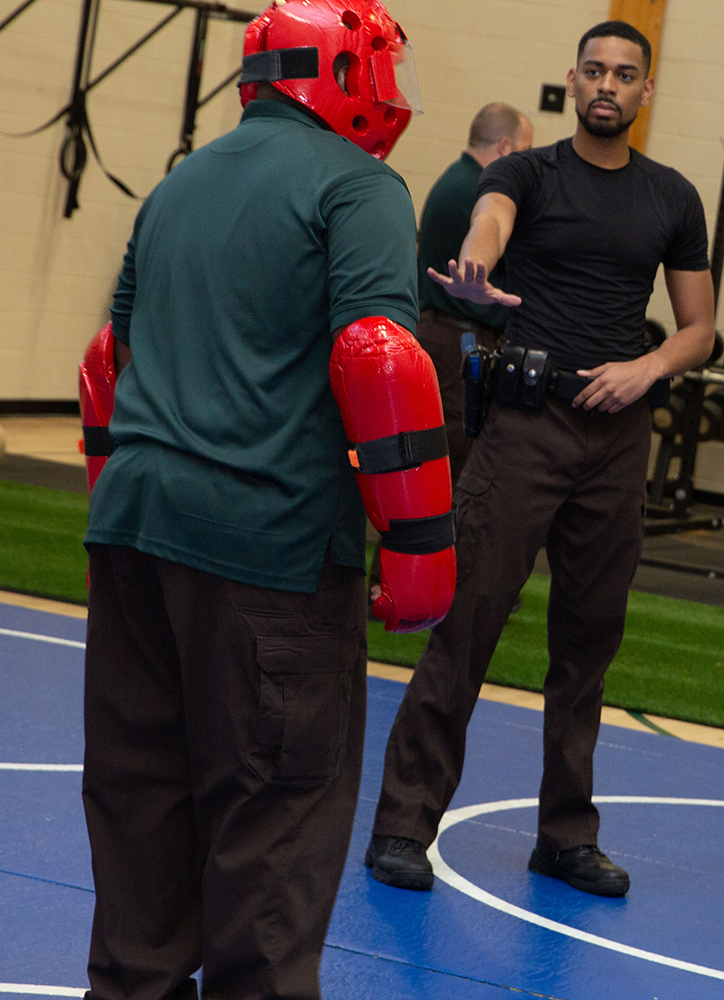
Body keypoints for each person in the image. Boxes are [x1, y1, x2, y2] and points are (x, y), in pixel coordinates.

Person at [76, 1, 455, 996]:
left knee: (141, 834)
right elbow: (378, 355)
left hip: (131, 550)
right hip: (269, 562)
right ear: (344, 73)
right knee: (272, 856)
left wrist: (129, 506)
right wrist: (420, 546)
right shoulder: (359, 186)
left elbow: (107, 366)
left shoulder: (179, 182)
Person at [365, 19, 716, 898]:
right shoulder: (526, 170)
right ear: (571, 81)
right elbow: (491, 219)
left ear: (645, 91)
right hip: (524, 427)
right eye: (593, 70)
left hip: (616, 435)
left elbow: (701, 328)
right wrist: (476, 270)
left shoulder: (672, 197)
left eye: (624, 74)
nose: (607, 84)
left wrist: (647, 367)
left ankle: (565, 836)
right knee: (468, 620)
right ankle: (405, 824)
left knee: (588, 642)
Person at [417, 102, 533, 483]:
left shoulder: (458, 180)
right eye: (524, 152)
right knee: (455, 456)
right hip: (457, 338)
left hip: (447, 332)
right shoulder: (474, 190)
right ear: (504, 147)